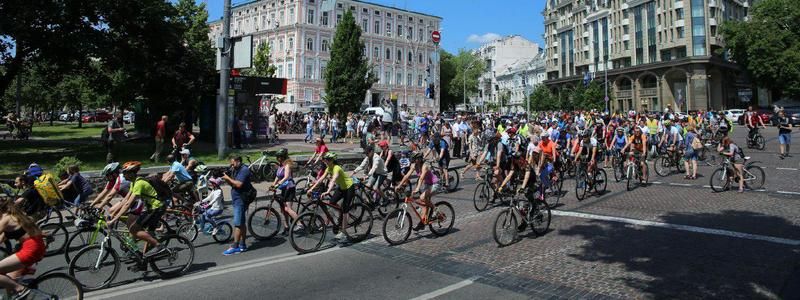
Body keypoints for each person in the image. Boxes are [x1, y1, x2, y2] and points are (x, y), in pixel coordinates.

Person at [109, 161, 166, 258]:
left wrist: (114, 219)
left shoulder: (139, 183)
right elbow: (125, 200)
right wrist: (113, 213)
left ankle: (159, 246)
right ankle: (144, 258)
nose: (123, 175)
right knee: (144, 232)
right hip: (151, 208)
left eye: (125, 173)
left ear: (131, 173)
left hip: (156, 208)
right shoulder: (133, 183)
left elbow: (128, 204)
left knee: (134, 229)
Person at [0, 199, 46, 299]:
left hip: (30, 249)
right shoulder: (15, 215)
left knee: (11, 282)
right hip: (36, 246)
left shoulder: (5, 219)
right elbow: (2, 237)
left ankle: (20, 288)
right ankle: (18, 289)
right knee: (9, 280)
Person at [306, 152, 355, 241]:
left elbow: (334, 179)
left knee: (345, 209)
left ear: (332, 160)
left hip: (349, 187)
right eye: (325, 160)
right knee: (332, 202)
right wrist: (311, 188)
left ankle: (344, 231)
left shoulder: (336, 168)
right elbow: (321, 179)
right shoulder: (329, 168)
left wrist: (328, 191)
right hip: (341, 187)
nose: (326, 161)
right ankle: (341, 215)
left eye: (328, 160)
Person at [395, 152, 438, 231]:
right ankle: (422, 223)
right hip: (427, 184)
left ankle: (436, 210)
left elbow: (421, 178)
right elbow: (407, 176)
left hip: (435, 184)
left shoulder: (425, 166)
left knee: (422, 197)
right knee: (424, 204)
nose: (413, 160)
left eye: (415, 159)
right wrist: (399, 185)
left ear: (419, 159)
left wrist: (418, 188)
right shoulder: (414, 165)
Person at [221, 156, 254, 255]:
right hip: (237, 199)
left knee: (238, 223)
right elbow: (233, 184)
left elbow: (239, 184)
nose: (231, 165)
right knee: (242, 222)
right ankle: (243, 245)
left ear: (238, 161)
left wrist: (227, 178)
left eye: (233, 163)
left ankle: (235, 246)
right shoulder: (235, 169)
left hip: (241, 199)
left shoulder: (244, 170)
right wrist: (226, 178)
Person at [271, 149, 299, 235]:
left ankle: (299, 223)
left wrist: (278, 184)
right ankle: (286, 227)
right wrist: (273, 184)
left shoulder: (287, 165)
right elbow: (277, 176)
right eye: (277, 157)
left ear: (282, 157)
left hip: (289, 188)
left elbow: (286, 177)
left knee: (287, 208)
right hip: (284, 188)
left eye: (278, 157)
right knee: (283, 209)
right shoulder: (280, 165)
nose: (277, 158)